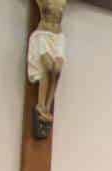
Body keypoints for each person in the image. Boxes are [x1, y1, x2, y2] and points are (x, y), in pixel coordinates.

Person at [27, 0, 66, 136]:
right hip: (43, 35)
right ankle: (40, 106)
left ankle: (47, 108)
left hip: (58, 38)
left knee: (57, 70)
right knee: (47, 68)